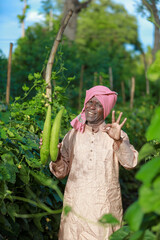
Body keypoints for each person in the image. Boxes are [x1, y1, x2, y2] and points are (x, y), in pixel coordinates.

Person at [49, 85, 138, 240]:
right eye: (90, 102)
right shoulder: (73, 134)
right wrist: (55, 157)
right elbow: (61, 172)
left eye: (98, 104)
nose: (91, 107)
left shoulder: (116, 134)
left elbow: (130, 163)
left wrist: (118, 140)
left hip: (103, 209)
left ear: (106, 109)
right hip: (75, 208)